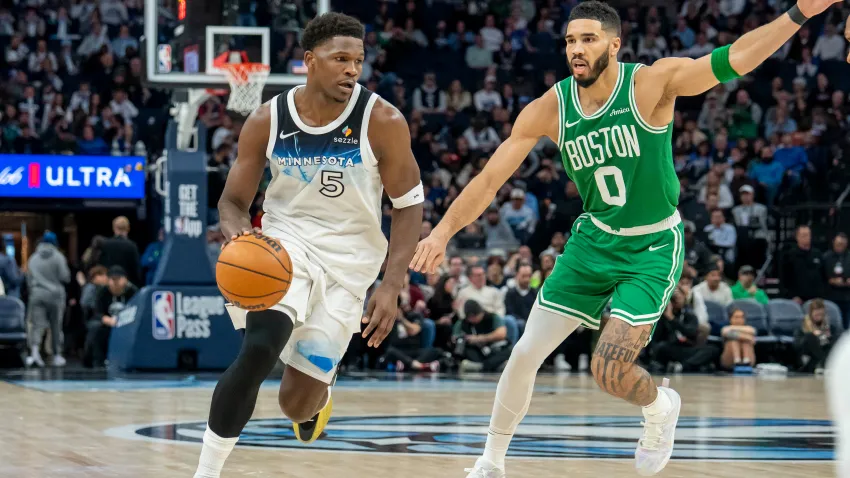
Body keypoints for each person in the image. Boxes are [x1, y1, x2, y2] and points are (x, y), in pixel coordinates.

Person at [410, 1, 841, 475]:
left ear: (614, 44)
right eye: (571, 40)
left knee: (609, 371)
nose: (576, 48)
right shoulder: (551, 108)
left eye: (588, 39)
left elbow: (735, 58)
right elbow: (489, 180)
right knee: (525, 351)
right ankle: (491, 461)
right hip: (593, 240)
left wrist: (800, 12)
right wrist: (443, 231)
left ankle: (659, 407)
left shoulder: (650, 83)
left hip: (652, 245)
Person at [194, 13, 423, 478]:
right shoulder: (267, 119)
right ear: (308, 61)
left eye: (357, 61)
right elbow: (233, 202)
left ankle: (321, 387)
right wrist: (239, 236)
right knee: (260, 347)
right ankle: (207, 471)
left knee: (294, 405)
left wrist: (391, 285)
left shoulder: (382, 120)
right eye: (340, 59)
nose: (351, 70)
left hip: (350, 262)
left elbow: (408, 205)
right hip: (285, 245)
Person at [25, 231, 70, 368]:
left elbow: (28, 279)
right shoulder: (59, 257)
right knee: (56, 326)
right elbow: (65, 277)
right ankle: (56, 355)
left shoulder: (33, 258)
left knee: (37, 325)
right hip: (56, 296)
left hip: (37, 294)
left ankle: (34, 353)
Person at [794, 298, 833, 374]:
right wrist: (813, 335)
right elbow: (797, 345)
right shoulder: (803, 325)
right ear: (811, 313)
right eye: (816, 315)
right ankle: (823, 363)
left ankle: (825, 364)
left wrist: (827, 336)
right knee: (810, 337)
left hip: (822, 354)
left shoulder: (828, 326)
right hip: (807, 356)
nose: (819, 317)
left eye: (821, 315)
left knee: (834, 338)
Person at [720, 308, 756, 372]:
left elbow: (752, 331)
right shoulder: (725, 328)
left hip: (749, 362)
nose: (739, 320)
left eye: (741, 317)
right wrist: (747, 337)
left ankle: (746, 361)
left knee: (745, 342)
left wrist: (737, 331)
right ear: (730, 319)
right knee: (734, 340)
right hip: (729, 361)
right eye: (736, 317)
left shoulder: (749, 329)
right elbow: (725, 332)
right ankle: (737, 361)